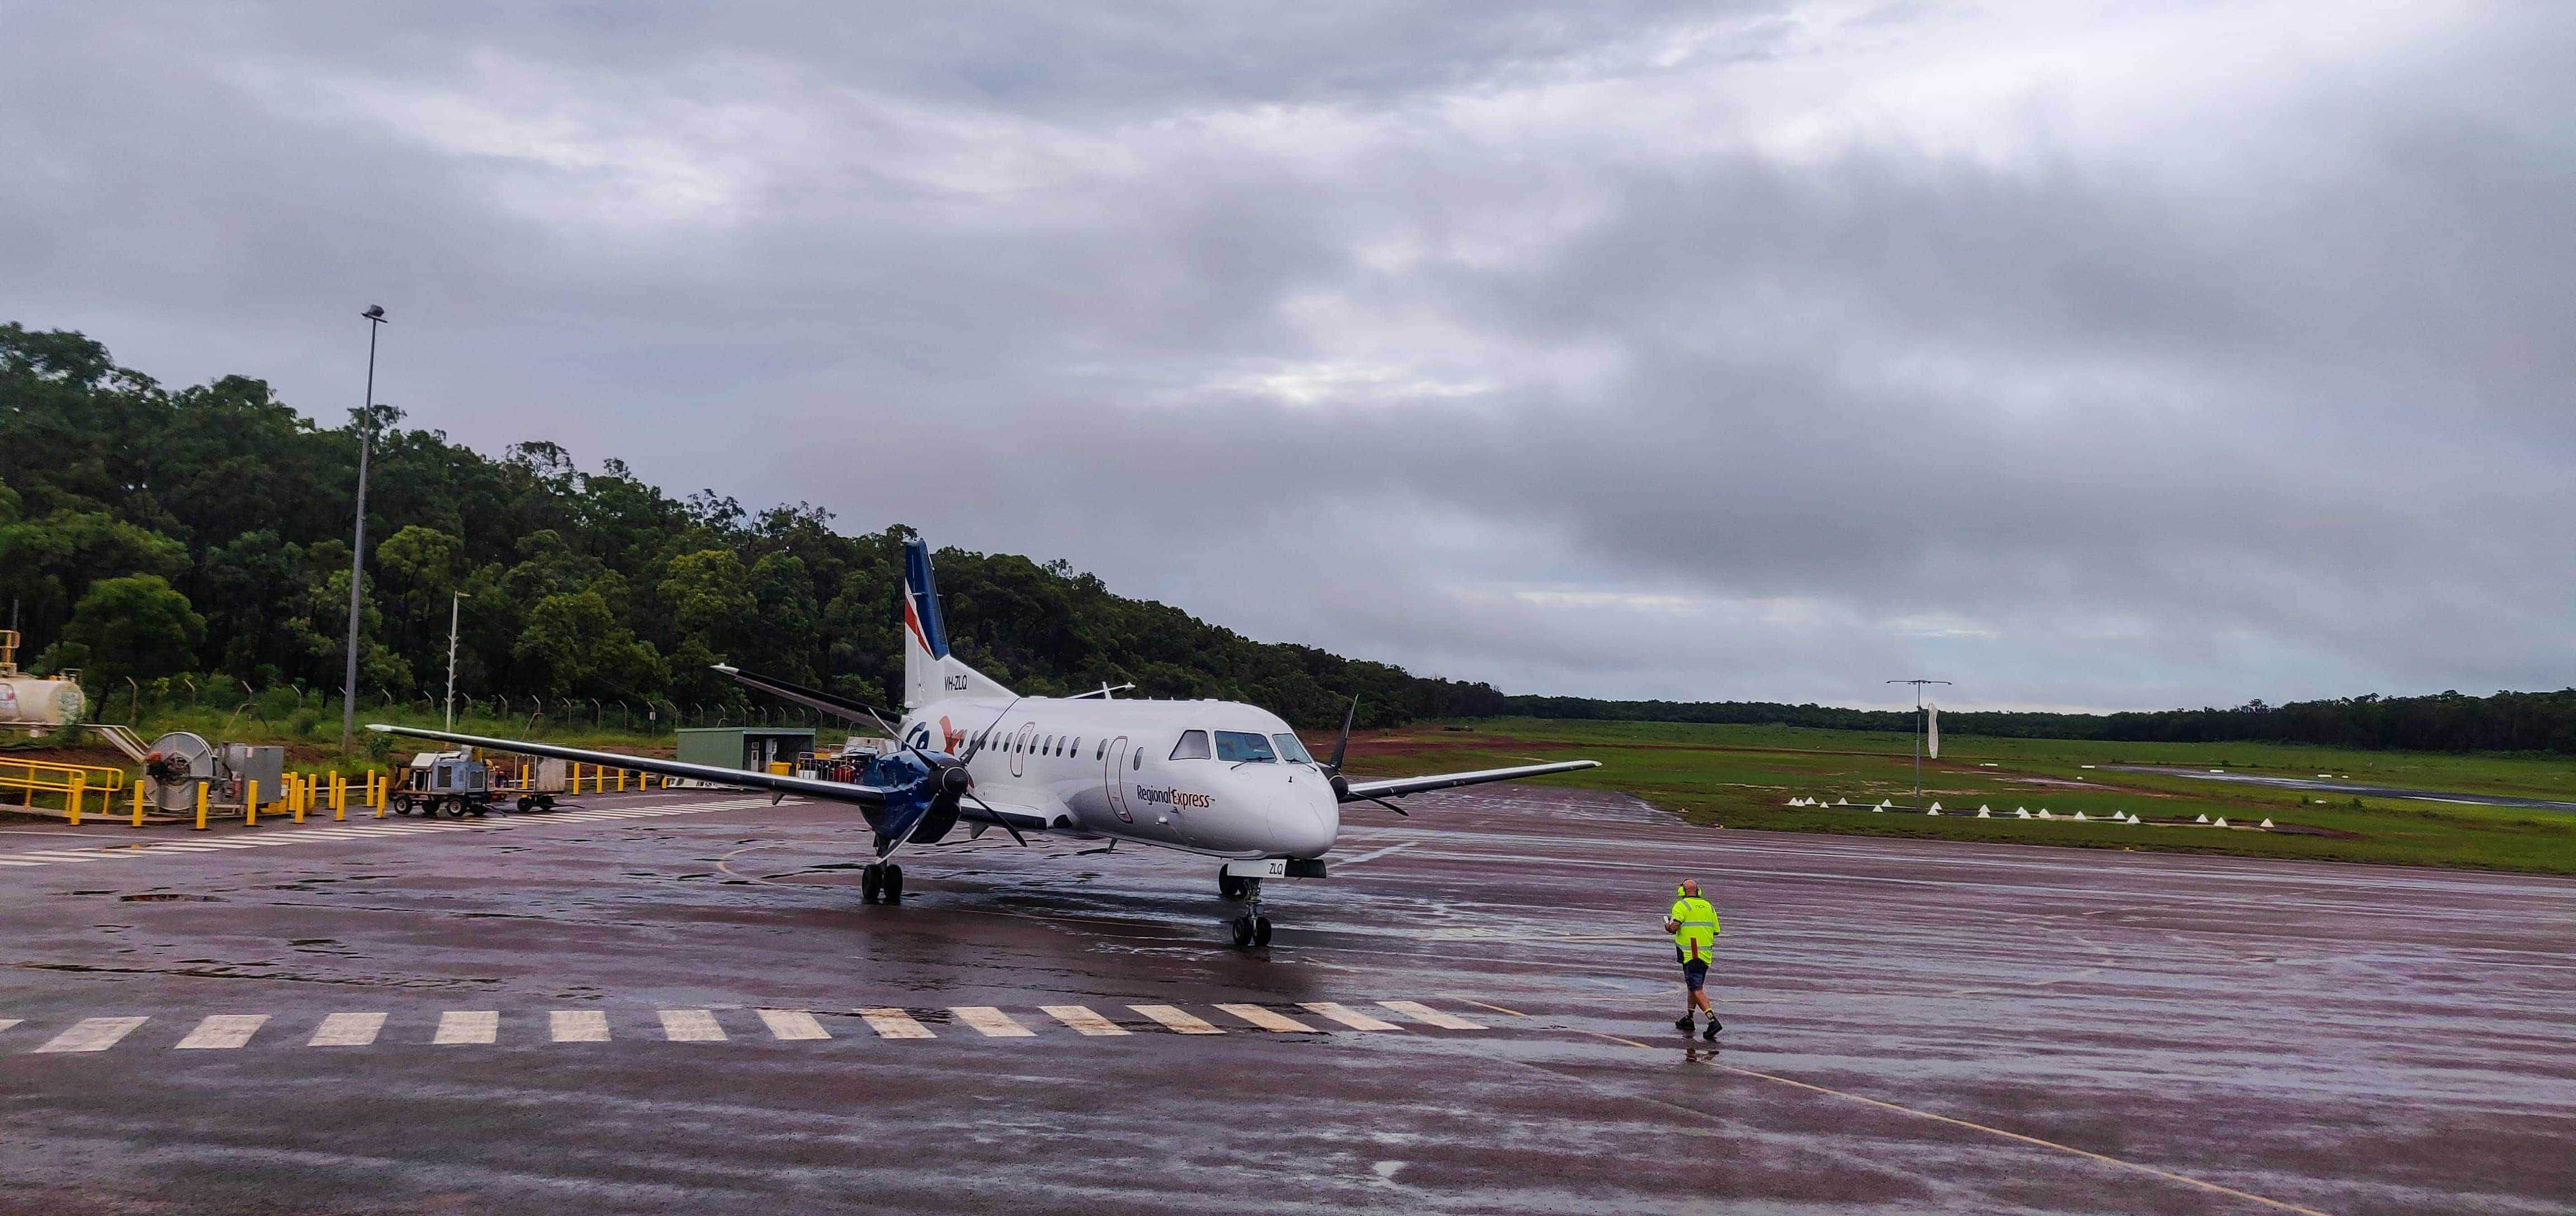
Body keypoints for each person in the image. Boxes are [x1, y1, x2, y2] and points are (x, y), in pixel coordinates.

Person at [1664, 880, 1721, 1039]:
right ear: (1698, 891)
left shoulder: (1682, 906)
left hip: (1691, 953)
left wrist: (1668, 927)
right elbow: (1716, 931)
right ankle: (1689, 1018)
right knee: (1693, 986)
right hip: (1705, 954)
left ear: (1682, 891)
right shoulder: (1709, 906)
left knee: (1696, 988)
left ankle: (1712, 1020)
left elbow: (1674, 928)